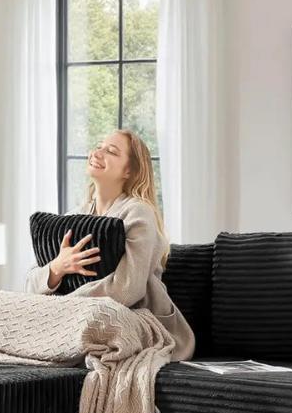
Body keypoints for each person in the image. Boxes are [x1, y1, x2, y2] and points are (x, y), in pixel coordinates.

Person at [25, 129, 195, 361]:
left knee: (97, 317)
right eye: (99, 146)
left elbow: (127, 289)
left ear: (129, 171)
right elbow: (30, 285)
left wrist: (63, 307)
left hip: (133, 318)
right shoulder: (75, 216)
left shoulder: (138, 212)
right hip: (77, 315)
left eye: (111, 151)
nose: (98, 152)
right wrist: (57, 268)